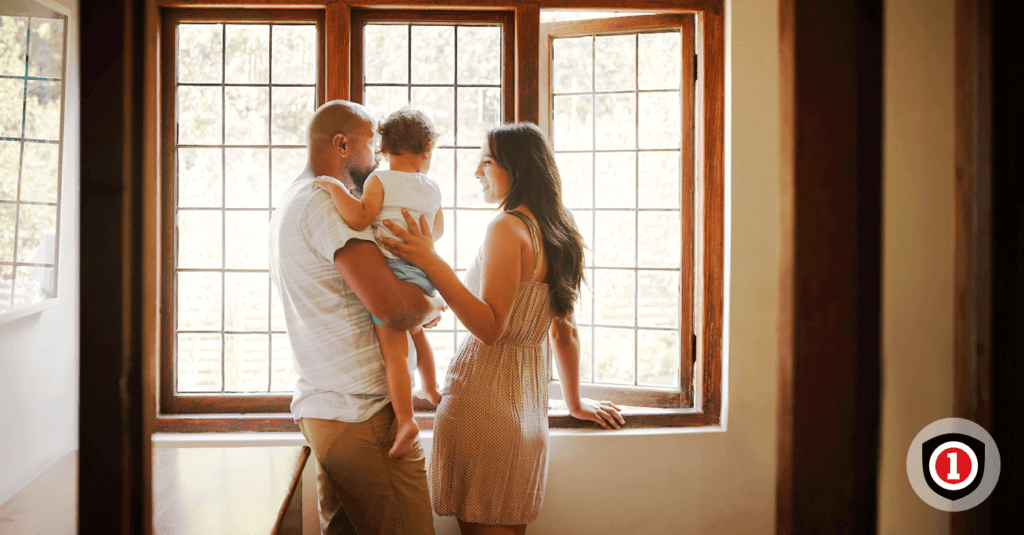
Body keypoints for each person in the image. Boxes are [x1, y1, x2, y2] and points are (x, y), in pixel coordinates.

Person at [379, 122, 626, 535]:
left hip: (483, 405)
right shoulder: (561, 233)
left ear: (518, 168)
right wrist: (575, 402)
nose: (477, 172)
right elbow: (564, 332)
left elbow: (491, 327)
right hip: (528, 411)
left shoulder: (506, 228)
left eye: (486, 161)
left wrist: (430, 261)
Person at [268, 100, 443, 535]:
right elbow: (396, 308)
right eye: (372, 145)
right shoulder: (328, 205)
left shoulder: (293, 199)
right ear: (342, 143)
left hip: (330, 410)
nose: (381, 156)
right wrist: (437, 302)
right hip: (362, 416)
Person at [311, 107, 445, 460]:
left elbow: (358, 217)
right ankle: (432, 388)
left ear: (383, 151)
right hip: (423, 273)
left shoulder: (379, 181)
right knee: (417, 331)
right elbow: (437, 231)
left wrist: (335, 188)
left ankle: (406, 421)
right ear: (426, 152)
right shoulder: (432, 187)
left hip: (394, 273)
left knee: (395, 355)